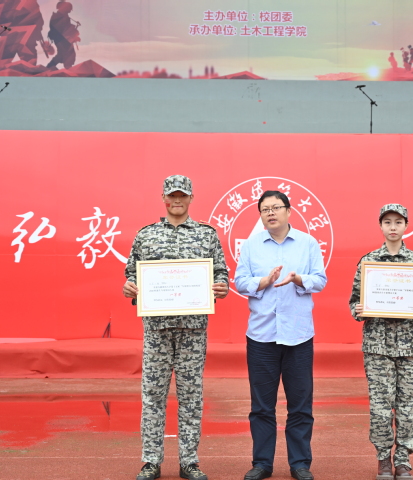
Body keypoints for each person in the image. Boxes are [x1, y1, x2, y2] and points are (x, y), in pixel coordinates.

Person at [123, 175, 230, 480]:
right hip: (156, 330)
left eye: (183, 195)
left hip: (192, 331)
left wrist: (221, 287)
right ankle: (151, 462)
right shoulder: (146, 235)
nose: (177, 200)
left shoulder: (207, 235)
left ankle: (189, 462)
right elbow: (131, 273)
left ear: (191, 197)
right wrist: (129, 287)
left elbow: (220, 271)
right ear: (164, 198)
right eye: (172, 195)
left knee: (191, 397)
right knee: (153, 396)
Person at [234, 190, 327, 480]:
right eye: (265, 209)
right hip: (261, 336)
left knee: (300, 405)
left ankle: (300, 463)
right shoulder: (251, 245)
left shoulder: (308, 243)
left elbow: (320, 280)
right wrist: (264, 281)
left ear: (288, 211)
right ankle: (262, 463)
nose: (271, 213)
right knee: (262, 406)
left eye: (276, 207)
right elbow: (239, 281)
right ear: (260, 216)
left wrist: (298, 279)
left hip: (298, 335)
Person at [348, 204, 413, 480]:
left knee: (408, 403)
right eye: (387, 222)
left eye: (398, 222)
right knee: (380, 405)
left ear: (406, 226)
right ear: (380, 226)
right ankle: (383, 459)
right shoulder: (369, 262)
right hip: (377, 345)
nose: (392, 227)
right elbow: (354, 301)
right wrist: (359, 310)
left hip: (410, 345)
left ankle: (403, 459)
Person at [46, 1, 80, 70]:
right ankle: (67, 69)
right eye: (69, 9)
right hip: (61, 39)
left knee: (63, 54)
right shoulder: (58, 17)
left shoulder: (61, 16)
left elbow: (65, 28)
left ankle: (50, 67)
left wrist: (74, 34)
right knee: (68, 53)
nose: (69, 11)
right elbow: (63, 29)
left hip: (62, 39)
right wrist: (74, 34)